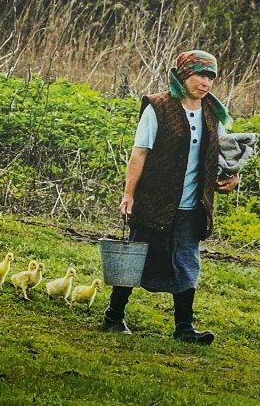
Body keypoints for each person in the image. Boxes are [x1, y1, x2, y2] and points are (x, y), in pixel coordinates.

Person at [102, 50, 239, 344]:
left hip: (193, 206)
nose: (205, 83)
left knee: (187, 262)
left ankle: (184, 329)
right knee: (137, 257)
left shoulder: (215, 113)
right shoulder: (158, 106)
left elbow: (225, 155)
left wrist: (232, 176)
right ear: (182, 75)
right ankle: (114, 316)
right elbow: (139, 153)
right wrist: (129, 195)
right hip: (155, 200)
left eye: (210, 77)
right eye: (200, 75)